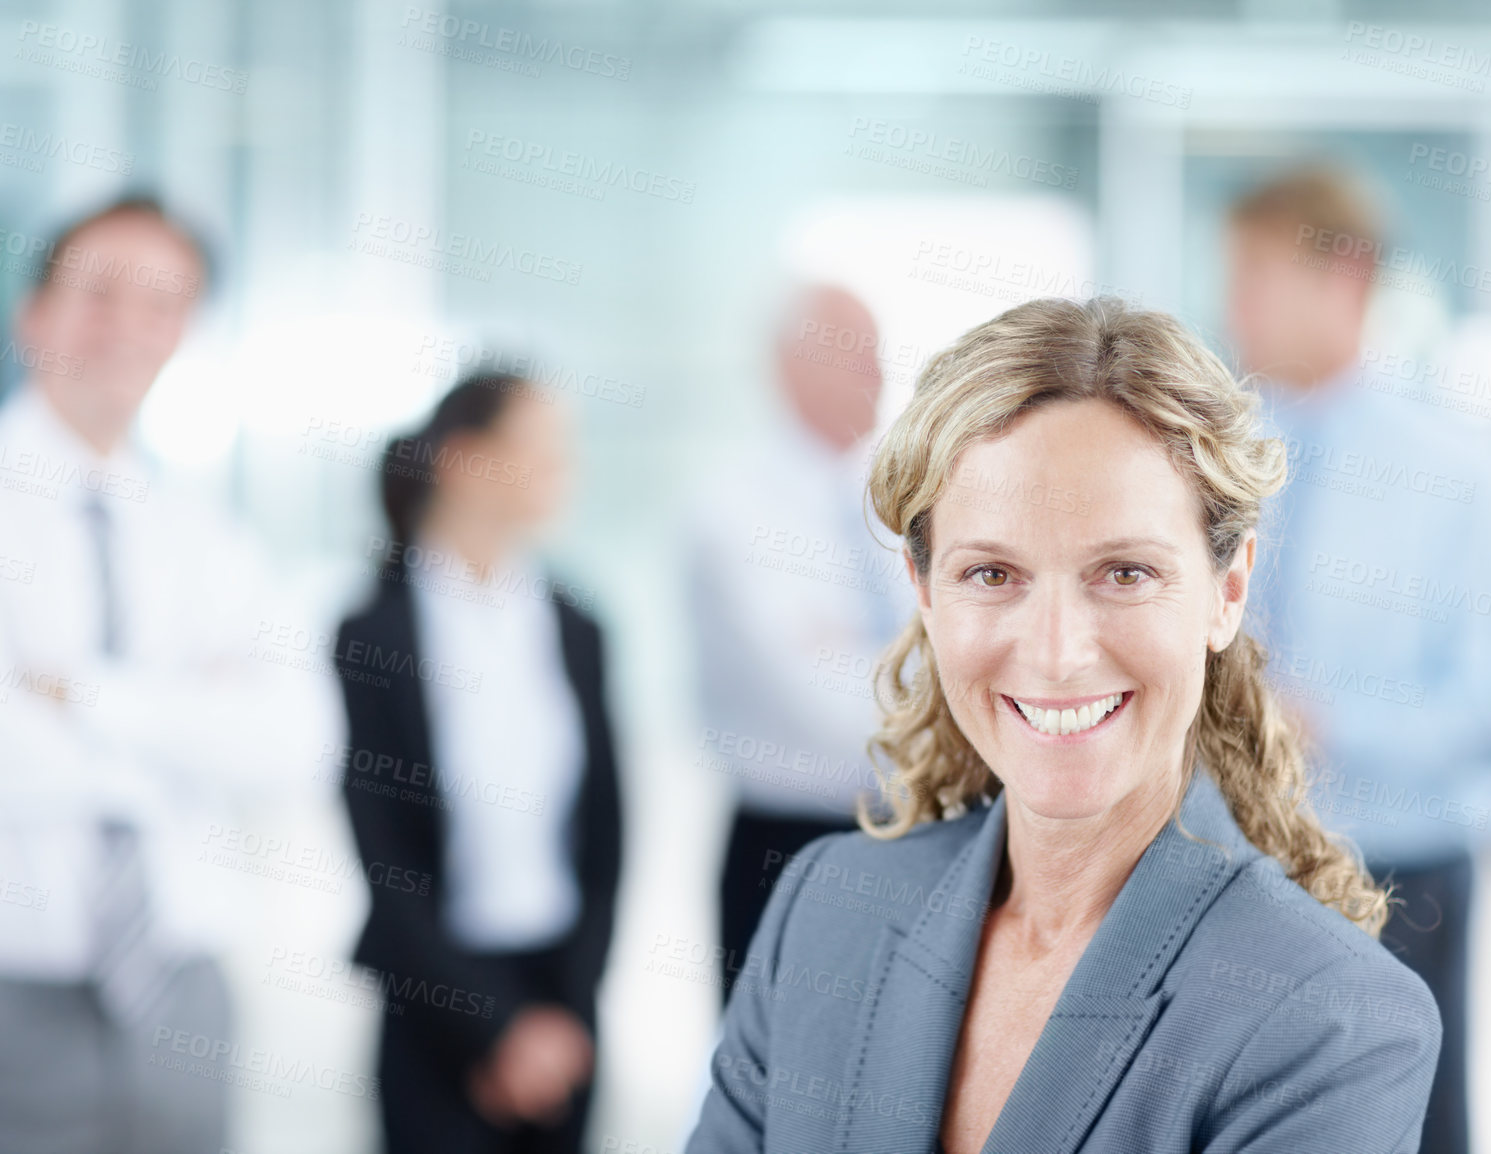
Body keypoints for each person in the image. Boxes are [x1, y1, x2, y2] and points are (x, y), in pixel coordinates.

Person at [686, 297, 1441, 1154]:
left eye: (1123, 572)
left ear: (1227, 591)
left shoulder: (1335, 1023)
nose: (1055, 653)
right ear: (925, 593)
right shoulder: (824, 912)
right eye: (993, 574)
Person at [0, 197, 342, 1152]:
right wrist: (191, 719)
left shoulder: (212, 540)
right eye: (99, 292)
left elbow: (295, 747)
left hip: (184, 981)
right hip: (12, 976)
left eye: (162, 304)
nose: (127, 326)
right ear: (33, 313)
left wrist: (85, 694)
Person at [1224, 166, 1491, 1154]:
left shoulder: (1455, 468)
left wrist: (1330, 723)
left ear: (1346, 279)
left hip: (1399, 870)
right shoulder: (1217, 450)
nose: (1234, 306)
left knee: (1411, 1125)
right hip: (1242, 861)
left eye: (1257, 275)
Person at [336, 372, 622, 1154]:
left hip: (562, 1003)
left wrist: (565, 1012)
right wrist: (492, 1032)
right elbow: (384, 855)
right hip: (433, 1005)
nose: (564, 471)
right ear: (464, 461)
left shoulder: (577, 625)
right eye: (541, 450)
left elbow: (607, 835)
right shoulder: (376, 633)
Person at [687, 284, 910, 997]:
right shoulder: (735, 509)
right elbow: (826, 704)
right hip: (788, 843)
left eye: (878, 355)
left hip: (910, 833)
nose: (877, 375)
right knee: (783, 1085)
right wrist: (959, 727)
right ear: (789, 368)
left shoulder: (892, 500)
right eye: (856, 356)